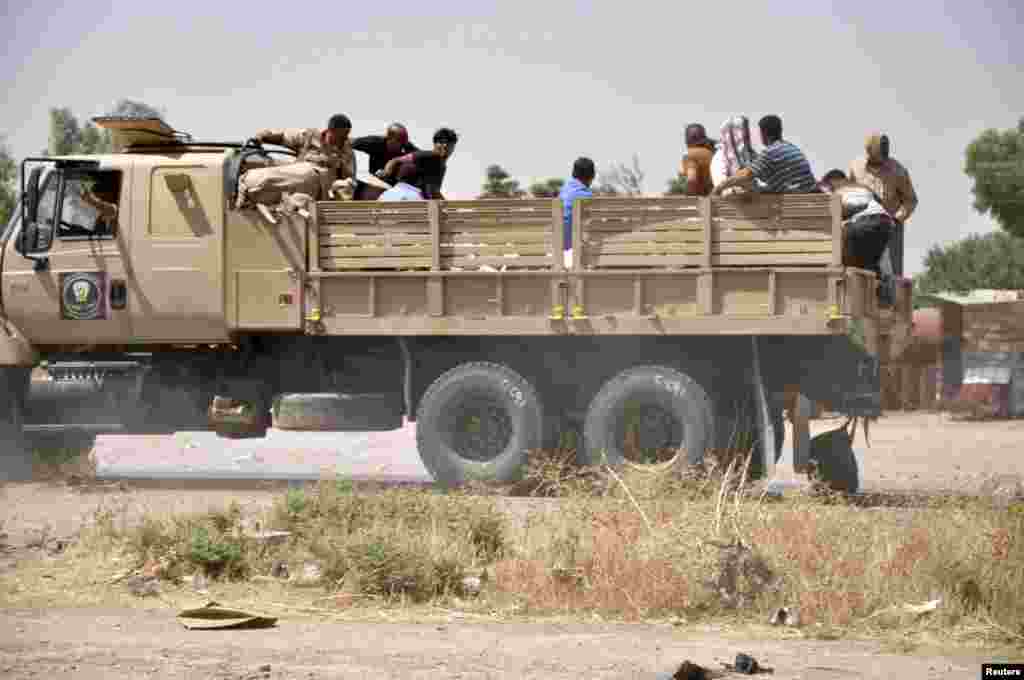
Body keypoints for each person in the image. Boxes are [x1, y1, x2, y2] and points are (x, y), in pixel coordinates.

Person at [236, 114, 357, 217]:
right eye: (342, 135)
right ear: (331, 130)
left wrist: (343, 188)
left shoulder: (347, 153)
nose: (345, 138)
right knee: (274, 178)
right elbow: (284, 137)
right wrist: (263, 137)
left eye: (347, 134)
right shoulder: (310, 135)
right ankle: (251, 192)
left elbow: (348, 181)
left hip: (319, 191)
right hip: (299, 176)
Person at [818, 169, 896, 306]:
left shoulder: (839, 191)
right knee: (868, 263)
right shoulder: (862, 188)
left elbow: (845, 209)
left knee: (843, 258)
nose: (829, 188)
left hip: (864, 222)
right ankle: (880, 294)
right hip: (885, 223)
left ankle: (847, 298)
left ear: (834, 181)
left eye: (829, 185)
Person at [847, 132, 918, 278]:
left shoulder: (898, 170)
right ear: (870, 150)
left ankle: (891, 298)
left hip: (890, 230)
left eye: (886, 148)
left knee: (891, 276)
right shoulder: (855, 167)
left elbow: (911, 200)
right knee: (863, 274)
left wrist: (897, 218)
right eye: (881, 148)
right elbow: (848, 193)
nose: (886, 151)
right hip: (862, 230)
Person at [712, 115, 817, 196]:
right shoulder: (790, 147)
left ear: (764, 133)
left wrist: (720, 187)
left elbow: (745, 175)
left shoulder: (771, 152)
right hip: (809, 199)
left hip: (796, 203)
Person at [379, 127, 458, 200]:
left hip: (400, 196)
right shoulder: (428, 155)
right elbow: (395, 160)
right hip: (405, 194)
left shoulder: (442, 166)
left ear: (453, 146)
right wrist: (386, 172)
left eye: (448, 143)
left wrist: (449, 206)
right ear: (434, 144)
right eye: (441, 142)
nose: (444, 145)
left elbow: (434, 191)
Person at [351, 123, 420, 199]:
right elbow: (350, 142)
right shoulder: (374, 143)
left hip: (394, 186)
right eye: (398, 142)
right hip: (375, 183)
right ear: (389, 138)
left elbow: (423, 156)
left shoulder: (406, 147)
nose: (401, 147)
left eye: (403, 144)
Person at [558, 157, 596, 268]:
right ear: (592, 175)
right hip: (573, 250)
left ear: (573, 173)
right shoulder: (586, 196)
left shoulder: (563, 191)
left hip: (557, 248)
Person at [711, 116, 758, 195]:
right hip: (730, 204)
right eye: (744, 131)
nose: (747, 136)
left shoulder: (751, 154)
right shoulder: (720, 157)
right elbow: (721, 185)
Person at [678, 123, 716, 196]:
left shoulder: (690, 155)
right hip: (716, 198)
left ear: (688, 139)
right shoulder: (712, 154)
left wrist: (689, 197)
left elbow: (692, 180)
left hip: (702, 202)